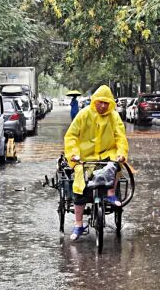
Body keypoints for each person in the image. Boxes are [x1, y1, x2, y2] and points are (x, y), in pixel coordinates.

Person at [64, 85, 129, 241]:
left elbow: (121, 137)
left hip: (107, 154)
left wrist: (121, 154)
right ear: (95, 101)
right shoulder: (84, 114)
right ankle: (78, 224)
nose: (103, 106)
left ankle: (111, 194)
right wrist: (73, 154)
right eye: (101, 102)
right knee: (79, 187)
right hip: (84, 157)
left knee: (115, 165)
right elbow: (71, 136)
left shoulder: (114, 117)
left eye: (106, 103)